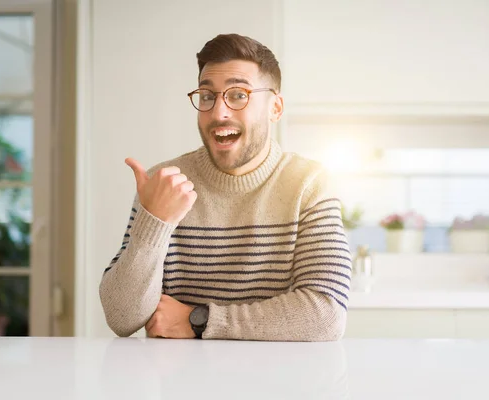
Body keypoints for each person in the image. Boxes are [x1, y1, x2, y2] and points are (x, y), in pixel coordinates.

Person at [99, 33, 351, 341]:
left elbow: (325, 315)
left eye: (238, 95)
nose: (219, 113)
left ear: (275, 108)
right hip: (181, 387)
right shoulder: (164, 184)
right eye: (207, 96)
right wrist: (155, 222)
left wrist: (199, 320)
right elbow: (121, 318)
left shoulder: (308, 184)